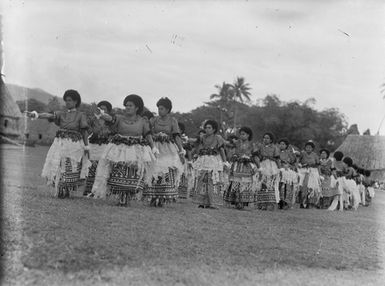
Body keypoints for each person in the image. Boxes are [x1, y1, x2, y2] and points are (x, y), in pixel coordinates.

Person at [90, 94, 157, 206]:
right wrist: (102, 115)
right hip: (120, 148)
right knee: (119, 169)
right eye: (126, 105)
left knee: (132, 172)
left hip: (136, 149)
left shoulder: (142, 121)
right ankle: (120, 196)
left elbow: (147, 134)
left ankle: (127, 196)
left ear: (137, 108)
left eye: (130, 105)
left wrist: (153, 147)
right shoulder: (119, 118)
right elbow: (110, 119)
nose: (127, 107)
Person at [25, 90, 89, 198]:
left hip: (74, 145)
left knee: (70, 166)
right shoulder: (61, 114)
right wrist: (36, 114)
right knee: (58, 164)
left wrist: (87, 146)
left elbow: (84, 131)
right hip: (60, 143)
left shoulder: (80, 115)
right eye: (66, 100)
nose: (67, 102)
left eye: (69, 100)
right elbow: (49, 115)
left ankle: (67, 190)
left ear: (76, 101)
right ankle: (60, 189)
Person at [142, 97, 185, 207]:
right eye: (158, 108)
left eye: (161, 108)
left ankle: (162, 198)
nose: (159, 111)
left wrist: (181, 151)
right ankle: (152, 197)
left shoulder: (172, 121)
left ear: (167, 109)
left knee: (165, 171)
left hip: (168, 148)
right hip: (156, 147)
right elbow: (147, 131)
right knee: (154, 169)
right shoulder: (154, 120)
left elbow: (176, 136)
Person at [191, 120, 229, 209]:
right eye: (206, 128)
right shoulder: (202, 137)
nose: (207, 129)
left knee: (212, 180)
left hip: (214, 161)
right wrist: (197, 155)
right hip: (203, 160)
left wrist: (225, 162)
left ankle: (213, 202)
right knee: (202, 179)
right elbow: (199, 147)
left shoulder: (218, 138)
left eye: (209, 128)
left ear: (214, 129)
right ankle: (202, 202)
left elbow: (222, 150)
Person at [84, 101, 115, 196]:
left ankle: (100, 192)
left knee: (103, 169)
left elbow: (113, 131)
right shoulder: (93, 120)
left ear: (108, 111)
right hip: (93, 146)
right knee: (92, 168)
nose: (101, 110)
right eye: (100, 108)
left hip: (105, 147)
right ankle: (89, 191)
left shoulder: (111, 121)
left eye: (104, 109)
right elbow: (87, 130)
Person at [224, 127, 257, 210]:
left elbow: (255, 155)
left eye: (243, 134)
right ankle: (236, 201)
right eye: (240, 134)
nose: (241, 136)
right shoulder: (237, 143)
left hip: (246, 165)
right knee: (236, 181)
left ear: (248, 135)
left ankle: (242, 202)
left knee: (245, 183)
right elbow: (230, 148)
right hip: (237, 164)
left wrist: (256, 165)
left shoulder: (252, 144)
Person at [254, 132, 280, 211]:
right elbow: (256, 155)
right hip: (262, 165)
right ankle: (261, 204)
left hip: (271, 167)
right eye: (264, 138)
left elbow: (277, 158)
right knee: (262, 183)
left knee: (271, 184)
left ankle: (270, 204)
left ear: (271, 140)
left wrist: (279, 168)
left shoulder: (275, 148)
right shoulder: (260, 146)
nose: (265, 139)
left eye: (267, 138)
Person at [297, 141, 321, 208]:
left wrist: (318, 173)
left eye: (310, 147)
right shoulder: (302, 154)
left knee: (310, 187)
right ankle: (301, 203)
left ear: (312, 148)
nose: (308, 149)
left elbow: (318, 164)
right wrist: (301, 165)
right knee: (302, 186)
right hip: (303, 171)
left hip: (312, 172)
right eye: (307, 147)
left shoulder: (315, 155)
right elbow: (298, 162)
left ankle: (308, 203)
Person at [277, 138, 298, 209]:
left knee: (287, 186)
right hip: (278, 170)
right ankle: (279, 201)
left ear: (286, 146)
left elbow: (293, 161)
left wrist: (289, 165)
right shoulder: (277, 152)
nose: (281, 145)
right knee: (279, 186)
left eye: (283, 144)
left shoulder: (289, 153)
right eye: (280, 144)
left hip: (287, 171)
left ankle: (286, 202)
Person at [177, 122, 194, 200]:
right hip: (174, 159)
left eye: (179, 129)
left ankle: (182, 194)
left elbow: (189, 151)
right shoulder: (172, 137)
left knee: (183, 176)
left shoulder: (185, 139)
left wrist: (190, 162)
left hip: (183, 160)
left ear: (182, 130)